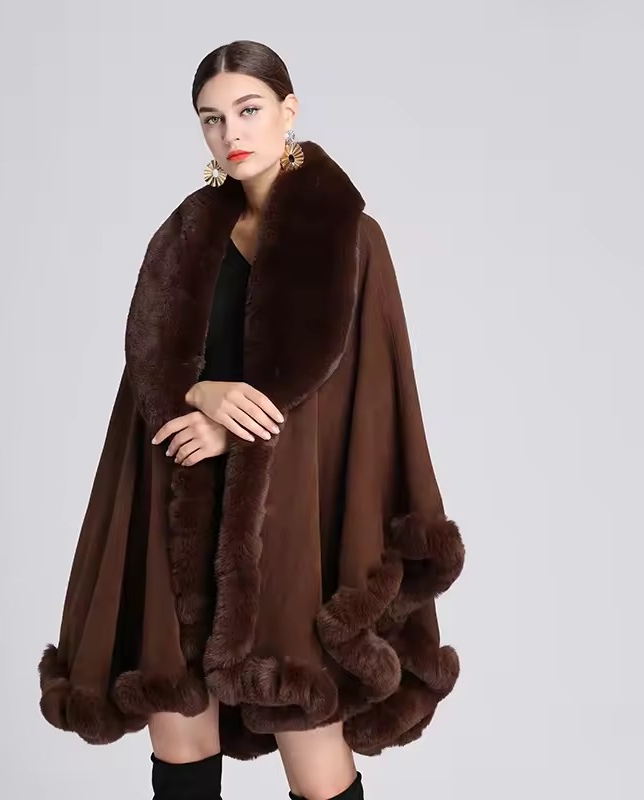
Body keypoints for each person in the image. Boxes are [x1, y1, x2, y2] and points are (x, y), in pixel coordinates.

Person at [37, 39, 466, 800]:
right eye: (211, 118)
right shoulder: (183, 241)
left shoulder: (350, 241)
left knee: (313, 749)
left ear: (288, 111)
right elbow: (152, 372)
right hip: (180, 511)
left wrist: (230, 429)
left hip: (294, 527)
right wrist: (199, 395)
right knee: (180, 738)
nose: (230, 132)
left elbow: (356, 398)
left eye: (248, 109)